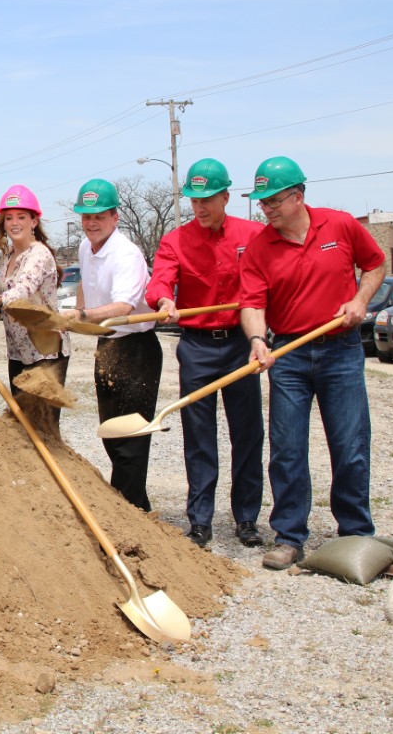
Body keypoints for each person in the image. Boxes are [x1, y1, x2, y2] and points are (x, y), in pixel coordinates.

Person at [239, 156, 385, 570]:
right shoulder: (259, 247)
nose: (265, 209)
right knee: (286, 448)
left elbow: (374, 264)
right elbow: (252, 302)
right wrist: (256, 339)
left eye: (272, 201)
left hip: (341, 350)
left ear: (298, 196)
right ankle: (290, 535)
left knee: (350, 444)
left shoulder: (339, 226)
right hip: (289, 353)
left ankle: (356, 534)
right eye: (261, 203)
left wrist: (359, 300)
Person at [145, 158, 265, 548]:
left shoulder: (253, 234)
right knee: (199, 435)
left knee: (247, 432)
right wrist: (164, 299)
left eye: (207, 199)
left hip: (239, 343)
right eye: (194, 200)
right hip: (196, 346)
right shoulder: (176, 240)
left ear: (226, 196)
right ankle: (200, 519)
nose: (200, 207)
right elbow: (160, 280)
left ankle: (247, 518)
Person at [61, 178, 161, 511]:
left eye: (99, 216)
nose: (91, 222)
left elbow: (123, 308)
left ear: (114, 218)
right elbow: (84, 290)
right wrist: (79, 318)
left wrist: (81, 315)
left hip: (136, 347)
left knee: (130, 436)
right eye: (86, 216)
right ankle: (134, 504)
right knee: (110, 430)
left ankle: (128, 507)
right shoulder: (85, 247)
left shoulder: (126, 255)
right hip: (108, 345)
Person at [0, 184, 69, 419]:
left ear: (34, 221)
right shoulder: (9, 255)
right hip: (18, 351)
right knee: (21, 423)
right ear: (3, 223)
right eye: (9, 218)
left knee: (42, 426)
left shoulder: (39, 254)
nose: (15, 223)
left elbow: (24, 289)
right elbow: (11, 282)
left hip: (44, 351)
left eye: (21, 217)